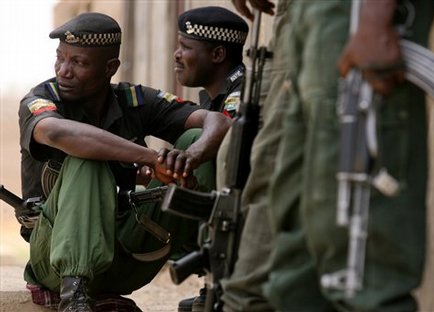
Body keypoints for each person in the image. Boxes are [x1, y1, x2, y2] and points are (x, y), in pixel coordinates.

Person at [18, 12, 231, 312]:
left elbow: (217, 122)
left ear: (110, 68)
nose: (63, 71)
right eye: (60, 58)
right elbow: (56, 131)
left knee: (197, 139)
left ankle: (214, 278)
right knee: (88, 157)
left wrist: (186, 160)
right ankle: (75, 298)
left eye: (78, 62)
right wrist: (150, 157)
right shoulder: (42, 99)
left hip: (128, 253)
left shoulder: (134, 99)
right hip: (53, 257)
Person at [264, 0, 434, 311]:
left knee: (362, 268)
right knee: (297, 258)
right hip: (312, 17)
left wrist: (374, 14)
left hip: (356, 14)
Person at [172, 6, 249, 312]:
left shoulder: (241, 93)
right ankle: (213, 286)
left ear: (218, 54)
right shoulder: (213, 98)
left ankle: (222, 287)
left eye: (186, 47)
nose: (177, 54)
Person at [218, 0, 291, 311]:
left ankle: (247, 297)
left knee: (270, 161)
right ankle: (231, 281)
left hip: (334, 17)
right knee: (234, 154)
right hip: (290, 20)